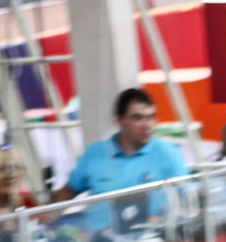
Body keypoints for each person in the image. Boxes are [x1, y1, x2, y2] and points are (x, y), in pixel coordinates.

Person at [53, 87, 189, 231]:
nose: (147, 125)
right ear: (119, 120)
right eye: (137, 118)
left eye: (151, 117)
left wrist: (161, 220)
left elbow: (187, 200)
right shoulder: (95, 153)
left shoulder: (167, 153)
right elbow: (69, 190)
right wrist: (44, 215)